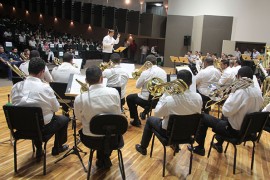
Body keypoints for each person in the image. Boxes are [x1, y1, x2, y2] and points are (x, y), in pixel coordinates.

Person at [189, 66, 263, 156]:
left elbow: (226, 111)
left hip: (234, 132)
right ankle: (219, 143)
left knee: (203, 116)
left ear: (239, 76)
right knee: (225, 117)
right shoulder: (258, 92)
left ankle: (200, 148)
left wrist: (232, 93)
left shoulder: (240, 92)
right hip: (249, 131)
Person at [11, 57, 69, 161]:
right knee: (63, 119)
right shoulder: (45, 87)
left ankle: (39, 149)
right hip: (41, 129)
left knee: (34, 118)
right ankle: (58, 147)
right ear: (42, 72)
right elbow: (56, 108)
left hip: (20, 128)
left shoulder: (15, 86)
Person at [135, 70, 202, 155]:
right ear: (191, 82)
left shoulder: (170, 98)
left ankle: (143, 148)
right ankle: (175, 145)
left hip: (169, 134)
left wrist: (165, 95)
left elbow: (157, 114)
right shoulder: (198, 97)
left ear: (176, 81)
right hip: (189, 133)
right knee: (181, 117)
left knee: (150, 120)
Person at [74, 65, 121, 169]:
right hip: (113, 139)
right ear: (102, 78)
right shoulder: (114, 92)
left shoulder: (80, 98)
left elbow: (79, 118)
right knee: (107, 129)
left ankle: (102, 158)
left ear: (86, 80)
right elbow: (118, 114)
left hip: (91, 139)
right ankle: (105, 157)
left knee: (96, 129)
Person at [126, 55, 167, 127]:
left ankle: (136, 120)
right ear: (156, 61)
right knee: (149, 100)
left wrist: (139, 77)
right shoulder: (163, 72)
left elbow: (137, 86)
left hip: (146, 101)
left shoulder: (145, 73)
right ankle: (144, 113)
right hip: (158, 100)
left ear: (147, 62)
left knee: (130, 98)